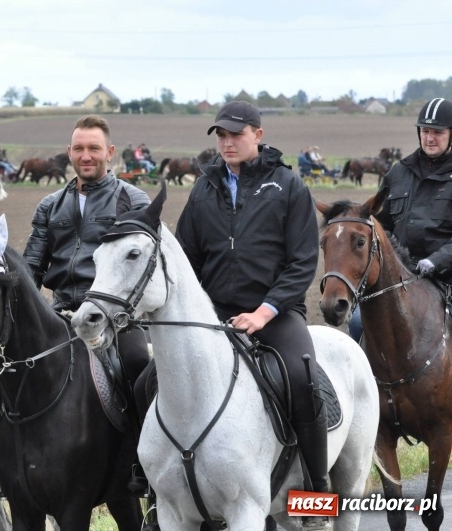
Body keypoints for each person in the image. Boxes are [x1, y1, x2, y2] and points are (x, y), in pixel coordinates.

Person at [175, 101, 328, 529]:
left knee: (303, 377)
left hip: (276, 313)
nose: (227, 142)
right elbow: (185, 259)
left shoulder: (289, 186)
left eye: (235, 134)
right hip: (213, 315)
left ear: (257, 135)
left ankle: (316, 494)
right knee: (153, 378)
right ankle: (155, 490)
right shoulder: (203, 188)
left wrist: (264, 312)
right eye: (221, 135)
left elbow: (302, 261)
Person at [22, 114, 152, 489]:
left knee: (137, 367)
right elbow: (32, 265)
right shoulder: (50, 205)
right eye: (79, 148)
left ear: (109, 152)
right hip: (60, 310)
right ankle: (15, 459)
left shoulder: (132, 199)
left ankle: (140, 463)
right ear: (69, 153)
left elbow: (143, 265)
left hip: (116, 318)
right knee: (15, 368)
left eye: (94, 148)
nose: (86, 155)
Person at [348, 97, 452, 343]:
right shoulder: (399, 172)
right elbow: (379, 224)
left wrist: (436, 260)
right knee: (356, 322)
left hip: (446, 280)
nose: (430, 138)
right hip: (401, 280)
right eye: (425, 131)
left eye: (437, 132)